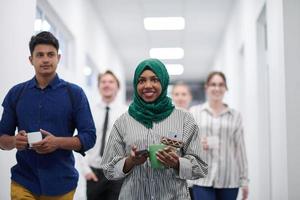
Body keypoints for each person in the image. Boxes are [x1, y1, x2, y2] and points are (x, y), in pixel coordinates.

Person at [0, 31, 96, 200]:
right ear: (31, 60)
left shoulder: (75, 94)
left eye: (50, 54)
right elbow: (1, 139)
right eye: (40, 55)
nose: (45, 59)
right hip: (23, 182)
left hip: (61, 185)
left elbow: (89, 137)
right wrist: (14, 141)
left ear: (58, 58)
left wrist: (57, 142)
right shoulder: (16, 94)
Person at [100, 58, 208, 200]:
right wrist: (130, 162)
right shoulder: (123, 122)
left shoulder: (184, 119)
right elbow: (108, 168)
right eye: (141, 81)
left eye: (154, 79)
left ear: (163, 82)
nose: (148, 85)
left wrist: (177, 163)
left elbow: (201, 167)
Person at [189, 71, 249, 200]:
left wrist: (244, 180)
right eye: (213, 84)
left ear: (225, 88)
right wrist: (198, 144)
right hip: (201, 178)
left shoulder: (235, 116)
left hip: (229, 178)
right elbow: (186, 143)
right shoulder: (195, 112)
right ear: (207, 87)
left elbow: (240, 149)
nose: (217, 88)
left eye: (221, 85)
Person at [80, 70, 127, 200]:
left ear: (117, 87)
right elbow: (82, 141)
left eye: (111, 82)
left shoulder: (126, 112)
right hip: (94, 172)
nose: (107, 85)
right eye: (103, 82)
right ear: (99, 86)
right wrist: (86, 170)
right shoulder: (89, 111)